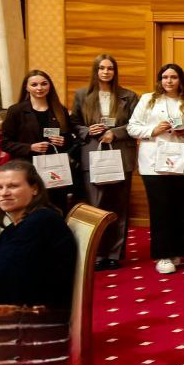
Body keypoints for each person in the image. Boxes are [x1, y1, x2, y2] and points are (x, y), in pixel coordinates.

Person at [127, 63, 184, 275]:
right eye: (165, 77)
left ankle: (178, 250)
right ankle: (163, 255)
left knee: (182, 208)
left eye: (173, 77)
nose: (169, 81)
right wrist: (153, 130)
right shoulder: (147, 100)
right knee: (161, 210)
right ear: (160, 80)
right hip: (154, 164)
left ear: (181, 80)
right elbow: (132, 127)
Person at [70, 54, 139, 270]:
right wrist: (87, 130)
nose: (106, 72)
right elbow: (73, 124)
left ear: (115, 72)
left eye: (110, 68)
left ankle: (113, 255)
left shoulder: (129, 96)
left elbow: (136, 125)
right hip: (93, 154)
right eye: (102, 68)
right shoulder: (82, 95)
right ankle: (97, 254)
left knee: (119, 207)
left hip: (120, 155)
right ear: (96, 71)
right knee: (96, 206)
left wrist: (114, 133)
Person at [0, 161, 78, 309]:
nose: (4, 193)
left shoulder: (41, 222)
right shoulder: (22, 223)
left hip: (32, 311)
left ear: (35, 189)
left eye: (13, 186)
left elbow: (2, 276)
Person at [0, 69, 76, 212]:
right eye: (34, 85)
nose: (39, 88)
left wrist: (63, 141)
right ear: (26, 88)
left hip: (55, 171)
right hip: (27, 170)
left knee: (56, 210)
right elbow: (5, 143)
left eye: (44, 84)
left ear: (50, 86)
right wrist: (30, 147)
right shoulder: (16, 111)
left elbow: (70, 139)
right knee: (31, 211)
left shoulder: (60, 110)